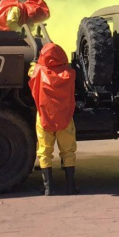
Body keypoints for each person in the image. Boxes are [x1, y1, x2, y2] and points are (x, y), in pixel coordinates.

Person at [28, 43, 78, 196]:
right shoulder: (69, 73)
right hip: (64, 118)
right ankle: (70, 187)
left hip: (44, 117)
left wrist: (35, 62)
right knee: (68, 151)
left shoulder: (37, 72)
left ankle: (48, 188)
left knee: (44, 151)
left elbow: (31, 70)